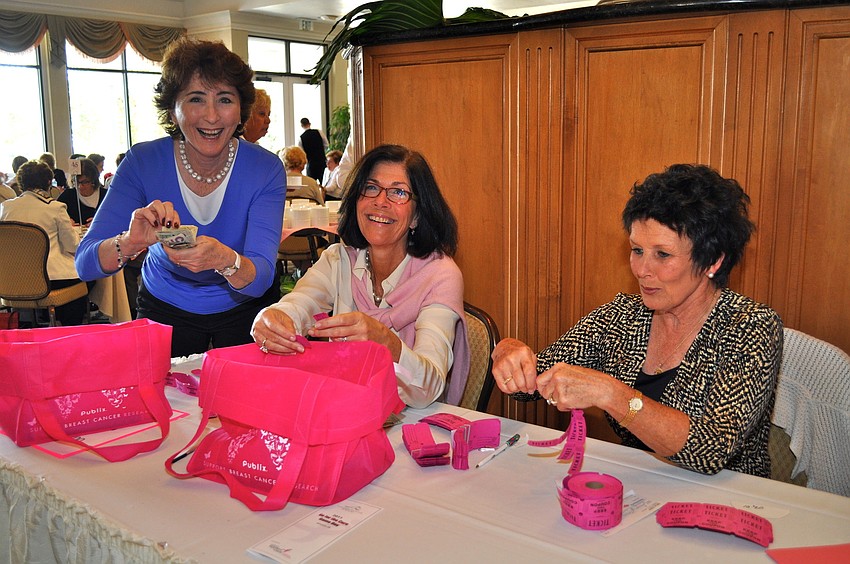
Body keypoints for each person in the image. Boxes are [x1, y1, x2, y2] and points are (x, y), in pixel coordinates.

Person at [492, 164, 782, 477]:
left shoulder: (750, 327)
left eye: (662, 255)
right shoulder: (622, 317)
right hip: (643, 486)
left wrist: (612, 394)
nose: (642, 269)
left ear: (713, 260)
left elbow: (709, 450)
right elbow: (534, 384)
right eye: (637, 250)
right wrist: (509, 352)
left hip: (732, 500)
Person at [75, 37, 286, 357]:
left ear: (241, 110)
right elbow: (86, 264)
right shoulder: (142, 162)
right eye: (196, 99)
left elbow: (261, 278)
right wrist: (131, 242)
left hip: (247, 309)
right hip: (165, 306)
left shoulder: (264, 169)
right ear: (173, 110)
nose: (212, 116)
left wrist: (225, 260)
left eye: (225, 99)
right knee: (166, 402)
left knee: (247, 402)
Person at [252, 144, 469, 408]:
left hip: (411, 421)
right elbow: (300, 303)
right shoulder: (338, 259)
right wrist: (275, 318)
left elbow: (430, 387)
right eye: (371, 187)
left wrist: (388, 344)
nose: (380, 201)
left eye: (398, 192)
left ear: (416, 217)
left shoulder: (441, 275)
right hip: (347, 409)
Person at [0, 161, 88, 326]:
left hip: (12, 281)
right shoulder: (55, 208)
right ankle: (69, 329)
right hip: (49, 281)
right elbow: (72, 247)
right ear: (49, 182)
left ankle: (37, 323)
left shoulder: (5, 208)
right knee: (87, 276)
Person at [57, 157, 106, 226]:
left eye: (85, 182)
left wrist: (102, 221)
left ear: (93, 180)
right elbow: (54, 216)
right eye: (76, 182)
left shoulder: (106, 196)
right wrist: (65, 221)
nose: (80, 186)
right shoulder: (67, 196)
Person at [322, 134, 354, 200]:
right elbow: (324, 184)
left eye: (330, 162)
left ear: (338, 162)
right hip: (326, 193)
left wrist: (322, 189)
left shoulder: (338, 170)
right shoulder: (326, 170)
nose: (327, 164)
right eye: (326, 162)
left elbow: (332, 187)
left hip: (335, 197)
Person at [297, 117, 328, 183]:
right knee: (324, 183)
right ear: (310, 124)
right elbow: (326, 144)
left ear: (301, 126)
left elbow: (301, 153)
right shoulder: (319, 132)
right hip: (321, 161)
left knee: (311, 184)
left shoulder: (301, 138)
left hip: (311, 164)